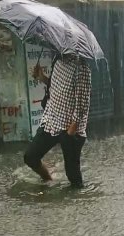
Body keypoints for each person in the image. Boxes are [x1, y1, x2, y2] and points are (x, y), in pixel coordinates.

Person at [23, 52, 92, 189]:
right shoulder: (58, 59)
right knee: (30, 156)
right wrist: (41, 77)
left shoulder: (81, 68)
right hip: (51, 121)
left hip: (70, 127)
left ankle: (77, 204)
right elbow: (56, 86)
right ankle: (48, 180)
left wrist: (71, 131)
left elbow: (83, 102)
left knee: (73, 177)